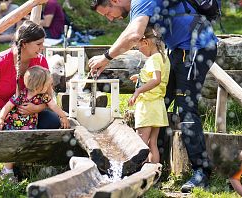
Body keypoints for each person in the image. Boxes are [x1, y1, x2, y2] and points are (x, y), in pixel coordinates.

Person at [88, 0, 218, 193]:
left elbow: (134, 35)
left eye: (108, 12)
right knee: (158, 102)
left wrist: (106, 57)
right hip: (179, 49)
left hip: (196, 46)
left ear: (115, 0)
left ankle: (201, 172)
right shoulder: (137, 6)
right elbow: (130, 34)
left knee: (185, 107)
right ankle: (155, 166)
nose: (110, 19)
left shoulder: (141, 0)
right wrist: (108, 59)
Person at [0, 20, 62, 184]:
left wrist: (36, 108)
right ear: (24, 44)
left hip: (21, 115)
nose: (42, 47)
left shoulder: (40, 61)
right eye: (38, 44)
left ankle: (19, 167)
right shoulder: (1, 61)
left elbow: (48, 95)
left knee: (52, 121)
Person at [0, 66, 69, 182]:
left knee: (29, 146)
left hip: (30, 128)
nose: (50, 86)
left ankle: (33, 167)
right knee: (13, 147)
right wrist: (1, 119)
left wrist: (63, 116)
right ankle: (7, 171)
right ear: (38, 86)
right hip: (14, 127)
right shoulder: (20, 95)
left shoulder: (43, 97)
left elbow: (53, 106)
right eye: (48, 84)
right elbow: (7, 107)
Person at [128, 26, 170, 163]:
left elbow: (156, 80)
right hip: (157, 106)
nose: (139, 50)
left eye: (139, 47)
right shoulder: (163, 58)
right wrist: (139, 78)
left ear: (145, 43)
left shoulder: (153, 59)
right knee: (153, 144)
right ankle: (154, 175)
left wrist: (138, 90)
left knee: (140, 144)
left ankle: (139, 175)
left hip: (147, 106)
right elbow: (157, 77)